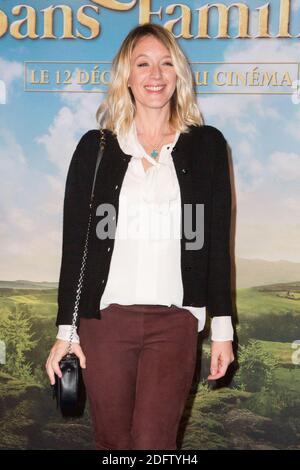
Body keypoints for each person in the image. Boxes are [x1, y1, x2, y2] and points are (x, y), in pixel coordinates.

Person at [46, 23, 235, 450]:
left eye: (167, 63)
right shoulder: (96, 149)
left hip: (175, 322)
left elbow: (216, 244)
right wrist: (66, 331)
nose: (156, 73)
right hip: (107, 322)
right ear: (126, 76)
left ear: (178, 75)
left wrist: (222, 328)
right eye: (144, 63)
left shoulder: (206, 146)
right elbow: (76, 247)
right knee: (113, 443)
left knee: (154, 445)